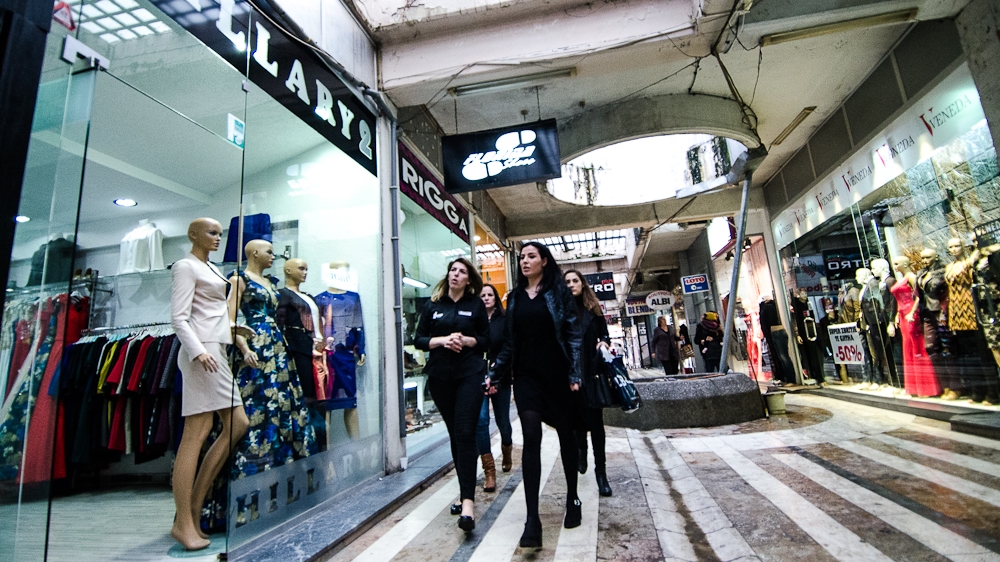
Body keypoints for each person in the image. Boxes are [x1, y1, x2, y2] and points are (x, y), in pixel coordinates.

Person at [489, 242, 583, 549]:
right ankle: (533, 519)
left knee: (567, 436)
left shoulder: (559, 294)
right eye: (521, 257)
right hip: (526, 377)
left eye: (530, 256)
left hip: (557, 376)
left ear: (544, 261)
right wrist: (497, 373)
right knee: (530, 435)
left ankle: (572, 497)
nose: (524, 261)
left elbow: (572, 335)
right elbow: (509, 343)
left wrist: (574, 373)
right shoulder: (514, 297)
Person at [169, 218, 249, 550]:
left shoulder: (212, 269)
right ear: (193, 235)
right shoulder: (185, 267)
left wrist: (237, 336)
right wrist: (199, 351)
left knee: (237, 424)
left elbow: (214, 313)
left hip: (215, 350)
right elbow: (179, 316)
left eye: (219, 233)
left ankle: (190, 512)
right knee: (197, 432)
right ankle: (184, 522)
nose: (217, 238)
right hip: (201, 355)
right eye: (211, 232)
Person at [414, 257, 489, 532]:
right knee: (457, 435)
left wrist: (468, 340)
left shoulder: (476, 305)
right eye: (452, 270)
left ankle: (468, 504)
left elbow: (487, 340)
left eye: (461, 271)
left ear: (469, 279)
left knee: (466, 433)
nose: (456, 274)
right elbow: (418, 339)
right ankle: (464, 490)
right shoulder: (433, 305)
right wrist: (443, 341)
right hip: (440, 377)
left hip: (470, 374)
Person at [564, 270, 613, 497]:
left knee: (597, 425)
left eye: (575, 281)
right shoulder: (561, 312)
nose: (572, 284)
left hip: (592, 373)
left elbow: (605, 336)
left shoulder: (594, 310)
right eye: (567, 282)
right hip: (571, 375)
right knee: (575, 422)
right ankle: (581, 450)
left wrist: (603, 344)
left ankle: (601, 474)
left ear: (582, 284)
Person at [474, 284, 513, 492]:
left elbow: (509, 346)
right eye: (483, 295)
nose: (486, 298)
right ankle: (489, 470)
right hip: (478, 377)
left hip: (500, 377)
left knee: (503, 421)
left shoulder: (505, 319)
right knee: (481, 422)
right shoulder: (473, 320)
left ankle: (507, 448)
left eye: (490, 295)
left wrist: (496, 372)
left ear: (495, 298)